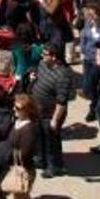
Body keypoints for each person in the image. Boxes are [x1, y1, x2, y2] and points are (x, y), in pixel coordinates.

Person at [0, 93, 38, 199]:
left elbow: (25, 154)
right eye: (14, 107)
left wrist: (4, 152)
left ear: (27, 110)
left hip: (24, 170)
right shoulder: (18, 121)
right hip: (16, 166)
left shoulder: (29, 129)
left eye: (18, 108)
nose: (14, 110)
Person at [31, 42, 75, 178]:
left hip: (51, 113)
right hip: (37, 110)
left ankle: (55, 166)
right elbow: (38, 74)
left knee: (52, 141)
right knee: (39, 136)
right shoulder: (43, 64)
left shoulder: (64, 75)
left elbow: (61, 101)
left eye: (44, 54)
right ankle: (41, 159)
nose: (41, 56)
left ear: (54, 57)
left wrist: (55, 120)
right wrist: (33, 77)